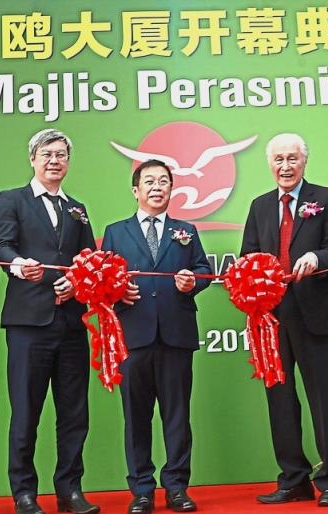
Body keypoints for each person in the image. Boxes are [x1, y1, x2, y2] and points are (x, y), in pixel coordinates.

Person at [0, 128, 99, 514]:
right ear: (32, 158)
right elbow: (2, 246)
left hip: (70, 323)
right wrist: (20, 267)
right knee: (26, 411)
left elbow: (89, 259)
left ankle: (70, 490)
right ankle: (24, 492)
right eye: (47, 154)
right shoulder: (12, 200)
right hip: (28, 323)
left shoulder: (78, 208)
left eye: (61, 155)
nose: (54, 161)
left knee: (74, 413)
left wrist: (78, 282)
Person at [240, 133, 328, 507]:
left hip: (318, 313)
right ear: (270, 165)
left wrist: (317, 258)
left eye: (292, 159)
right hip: (271, 318)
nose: (285, 166)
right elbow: (247, 257)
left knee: (325, 398)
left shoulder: (327, 198)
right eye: (278, 160)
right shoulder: (259, 206)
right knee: (280, 399)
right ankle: (293, 479)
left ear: (304, 161)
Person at [102, 160, 211, 514]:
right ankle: (142, 490)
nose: (157, 187)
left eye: (163, 181)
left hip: (176, 334)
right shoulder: (116, 231)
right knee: (136, 416)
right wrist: (117, 292)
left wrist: (192, 281)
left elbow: (204, 270)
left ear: (171, 189)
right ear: (136, 190)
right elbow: (104, 278)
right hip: (132, 334)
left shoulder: (187, 230)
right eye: (149, 181)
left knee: (177, 415)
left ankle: (177, 487)